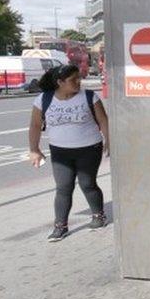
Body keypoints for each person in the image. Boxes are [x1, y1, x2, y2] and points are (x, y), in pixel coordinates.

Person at [27, 64, 110, 242]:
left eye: (79, 78)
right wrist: (34, 149)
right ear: (60, 82)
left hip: (89, 148)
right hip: (59, 151)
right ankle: (60, 226)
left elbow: (103, 120)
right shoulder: (44, 99)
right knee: (63, 187)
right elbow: (35, 125)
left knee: (87, 183)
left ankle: (98, 215)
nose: (78, 82)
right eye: (73, 80)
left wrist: (108, 139)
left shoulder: (89, 96)